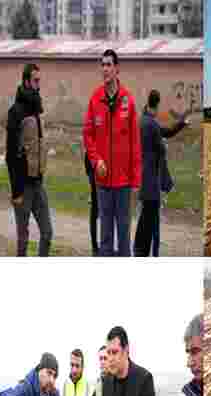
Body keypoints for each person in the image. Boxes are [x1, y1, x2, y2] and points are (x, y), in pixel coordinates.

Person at [83, 49, 142, 257]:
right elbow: (88, 134)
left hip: (124, 184)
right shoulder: (95, 99)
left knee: (124, 238)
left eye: (109, 65)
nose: (105, 69)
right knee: (105, 239)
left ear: (117, 69)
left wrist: (136, 182)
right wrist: (96, 160)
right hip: (103, 183)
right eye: (103, 65)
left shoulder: (128, 100)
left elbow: (136, 144)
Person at [134, 89, 188, 257]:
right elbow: (161, 146)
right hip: (151, 180)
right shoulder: (150, 123)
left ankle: (139, 249)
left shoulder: (145, 120)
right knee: (150, 220)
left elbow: (166, 132)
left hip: (145, 177)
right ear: (157, 105)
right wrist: (163, 146)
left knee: (145, 216)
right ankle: (145, 252)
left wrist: (181, 124)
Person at [5, 63, 52, 257]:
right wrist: (16, 191)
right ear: (26, 81)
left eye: (40, 80)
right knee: (23, 241)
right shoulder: (15, 112)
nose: (39, 84)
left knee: (47, 233)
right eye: (36, 80)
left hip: (38, 184)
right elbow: (10, 155)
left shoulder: (37, 109)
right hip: (23, 187)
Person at [84, 151, 99, 256]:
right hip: (93, 170)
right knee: (95, 211)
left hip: (96, 170)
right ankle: (95, 247)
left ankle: (100, 246)